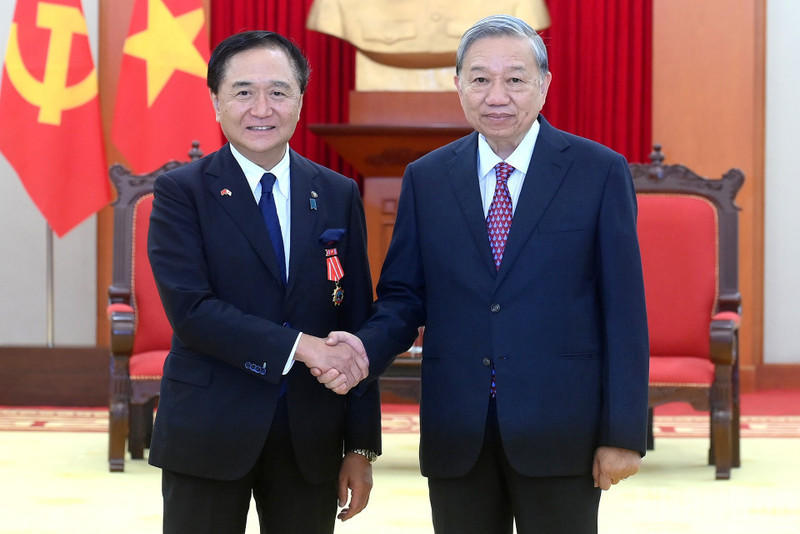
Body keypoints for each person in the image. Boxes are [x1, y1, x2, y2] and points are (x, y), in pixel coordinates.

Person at [323, 14, 650, 534]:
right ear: (458, 86)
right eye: (480, 79)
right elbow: (405, 297)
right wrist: (361, 351)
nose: (496, 95)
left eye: (515, 79)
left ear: (543, 85)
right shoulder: (427, 179)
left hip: (561, 427)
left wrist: (624, 432)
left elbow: (625, 311)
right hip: (458, 430)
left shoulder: (598, 171)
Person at [146, 30, 380, 534]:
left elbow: (356, 321)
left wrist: (360, 447)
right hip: (209, 427)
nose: (262, 108)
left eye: (278, 91)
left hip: (311, 435)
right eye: (243, 91)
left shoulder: (337, 193)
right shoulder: (181, 193)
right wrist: (303, 347)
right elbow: (192, 312)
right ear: (216, 101)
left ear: (299, 100)